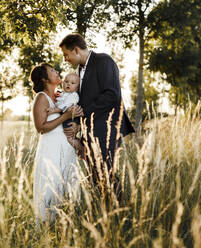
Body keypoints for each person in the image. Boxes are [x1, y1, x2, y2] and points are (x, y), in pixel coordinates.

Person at [59, 33, 135, 199]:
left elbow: (111, 95)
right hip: (91, 130)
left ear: (77, 50)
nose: (65, 59)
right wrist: (78, 123)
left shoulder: (104, 61)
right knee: (95, 175)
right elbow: (82, 100)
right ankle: (103, 214)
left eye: (66, 54)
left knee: (106, 173)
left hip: (108, 128)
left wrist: (83, 114)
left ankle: (119, 212)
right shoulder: (79, 70)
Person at [30, 62, 83, 223]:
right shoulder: (41, 97)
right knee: (50, 186)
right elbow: (41, 127)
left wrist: (77, 123)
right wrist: (65, 116)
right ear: (45, 79)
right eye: (52, 71)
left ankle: (66, 224)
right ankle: (48, 227)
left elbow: (73, 114)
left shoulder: (62, 96)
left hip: (66, 149)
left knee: (68, 187)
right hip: (51, 151)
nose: (57, 72)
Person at [46, 73, 84, 156]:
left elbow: (65, 106)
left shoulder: (74, 96)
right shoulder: (65, 93)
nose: (68, 84)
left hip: (71, 119)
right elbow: (60, 99)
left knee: (70, 138)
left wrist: (54, 110)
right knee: (71, 137)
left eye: (72, 83)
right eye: (66, 81)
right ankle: (79, 145)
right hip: (67, 117)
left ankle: (82, 150)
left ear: (77, 88)